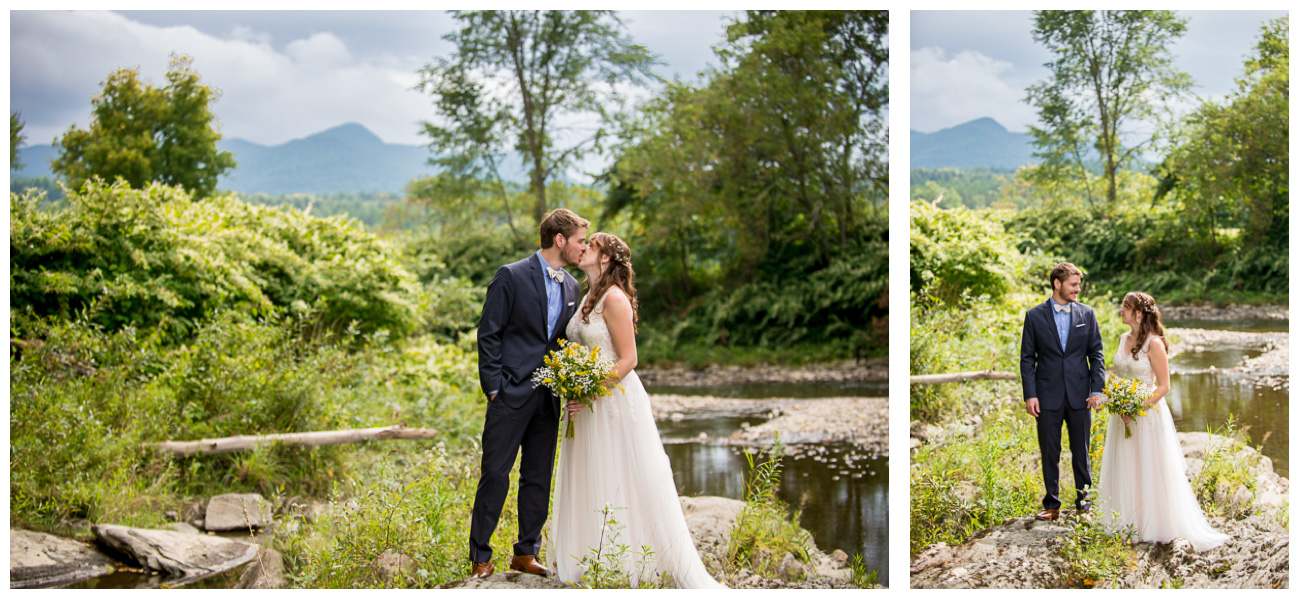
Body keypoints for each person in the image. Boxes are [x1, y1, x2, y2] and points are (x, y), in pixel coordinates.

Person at [548, 232, 725, 588]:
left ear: (606, 259)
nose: (583, 249)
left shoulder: (614, 299)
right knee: (588, 471)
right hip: (585, 403)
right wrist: (572, 383)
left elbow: (629, 359)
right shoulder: (587, 298)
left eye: (591, 246)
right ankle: (587, 556)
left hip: (612, 400)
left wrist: (590, 389)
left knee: (618, 474)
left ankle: (628, 563)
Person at [468, 209, 588, 579]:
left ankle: (525, 552)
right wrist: (493, 387)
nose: (583, 248)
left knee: (537, 475)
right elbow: (488, 333)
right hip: (508, 393)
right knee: (495, 473)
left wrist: (570, 384)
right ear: (560, 240)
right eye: (581, 240)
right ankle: (480, 557)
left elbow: (562, 342)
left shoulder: (572, 285)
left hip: (548, 397)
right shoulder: (511, 275)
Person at [1096, 292, 1229, 552]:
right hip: (1121, 414)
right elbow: (1119, 376)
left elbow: (1164, 386)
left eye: (1125, 306)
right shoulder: (1124, 338)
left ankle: (1152, 525)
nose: (1120, 310)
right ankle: (1125, 521)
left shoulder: (1154, 344)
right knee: (1125, 465)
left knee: (1147, 467)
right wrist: (1108, 398)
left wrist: (1136, 408)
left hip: (1146, 414)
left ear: (1138, 313)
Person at [1019, 262, 1106, 521]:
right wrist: (1030, 394)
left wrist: (1097, 390)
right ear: (1057, 284)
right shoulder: (1034, 316)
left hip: (1081, 395)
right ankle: (1052, 505)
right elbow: (1027, 358)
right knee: (1050, 451)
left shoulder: (1087, 314)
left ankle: (1084, 506)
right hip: (1046, 395)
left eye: (1078, 284)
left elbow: (1096, 355)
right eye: (1074, 284)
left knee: (1082, 452)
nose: (1078, 289)